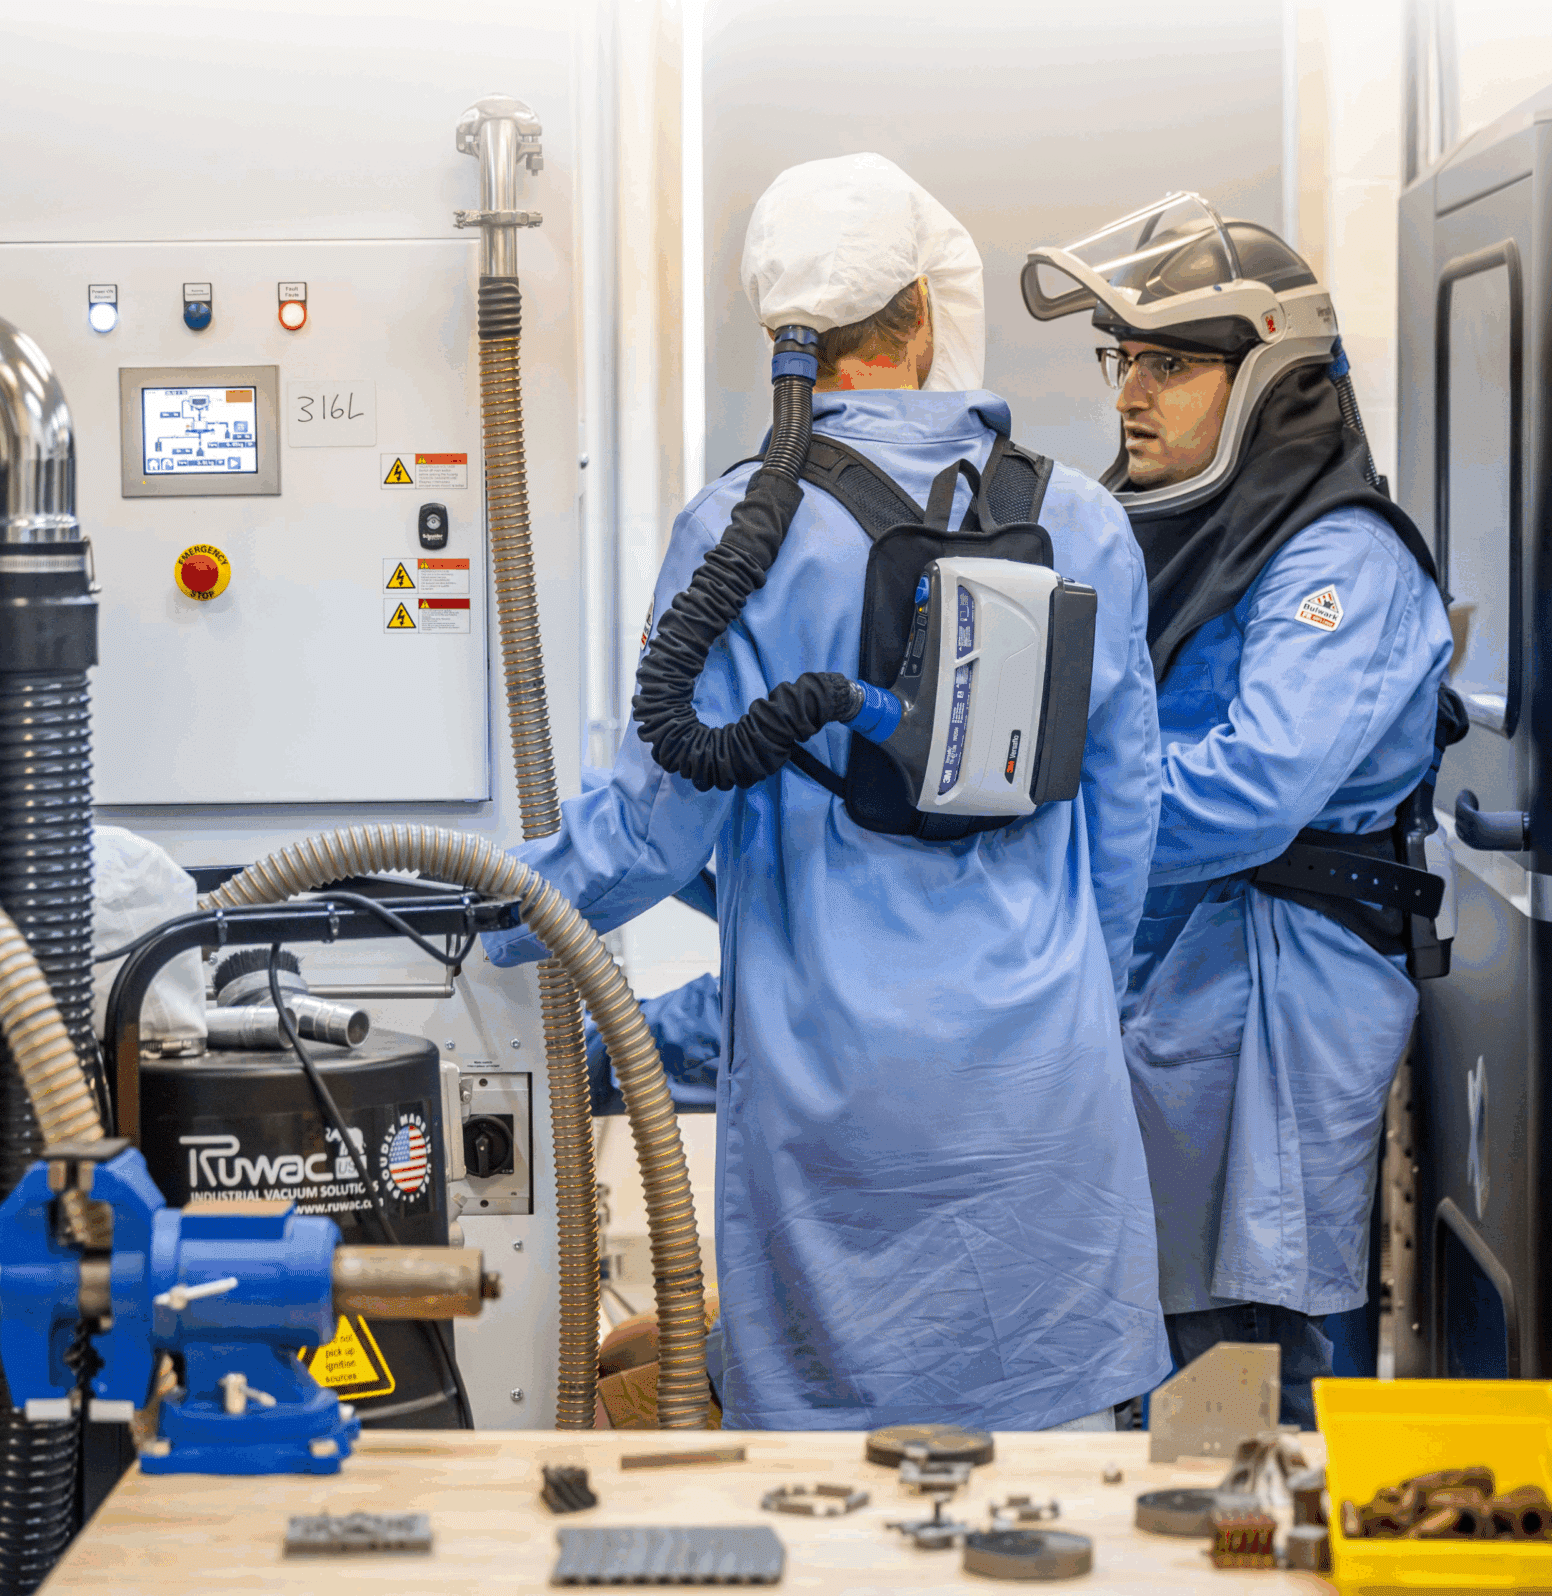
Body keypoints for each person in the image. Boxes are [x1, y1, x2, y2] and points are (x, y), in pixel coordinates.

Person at [485, 153, 1167, 1431]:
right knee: (1057, 1508)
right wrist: (1079, 995)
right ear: (927, 313)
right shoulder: (1082, 523)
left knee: (834, 1520)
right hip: (1043, 1103)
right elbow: (1127, 828)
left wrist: (485, 915)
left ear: (784, 337)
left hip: (840, 1116)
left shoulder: (740, 530)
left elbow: (651, 827)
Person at [1021, 197, 1454, 1424]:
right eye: (1125, 359)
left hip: (1275, 1022)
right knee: (1163, 1362)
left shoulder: (1338, 561)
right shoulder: (1196, 535)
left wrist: (1038, 837)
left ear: (1265, 374)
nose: (1129, 395)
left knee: (1248, 1398)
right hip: (1183, 1009)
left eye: (1167, 362)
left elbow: (1252, 792)